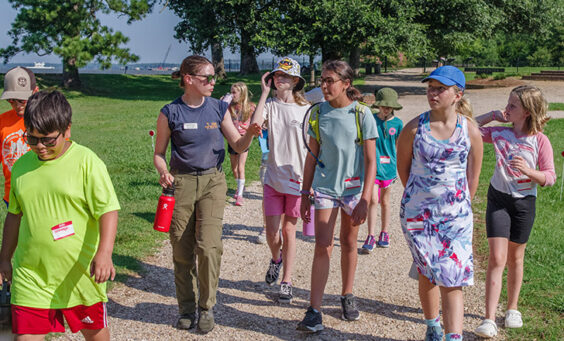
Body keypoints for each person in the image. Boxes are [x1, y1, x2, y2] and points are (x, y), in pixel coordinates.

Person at [0, 90, 120, 340]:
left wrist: (105, 253)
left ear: (67, 130)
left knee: (96, 335)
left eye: (47, 140)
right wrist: (4, 259)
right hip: (31, 275)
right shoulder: (21, 167)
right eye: (31, 140)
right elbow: (14, 216)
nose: (39, 147)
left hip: (80, 274)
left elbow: (108, 210)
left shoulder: (87, 162)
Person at [153, 55, 260, 334]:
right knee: (181, 248)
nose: (213, 82)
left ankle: (206, 307)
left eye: (214, 78)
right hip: (182, 184)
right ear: (188, 80)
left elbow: (237, 143)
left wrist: (250, 134)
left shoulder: (217, 108)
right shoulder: (169, 112)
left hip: (213, 182)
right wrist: (163, 171)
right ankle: (186, 308)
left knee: (209, 247)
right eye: (207, 78)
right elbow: (159, 154)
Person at [396, 66, 483, 341]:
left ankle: (453, 337)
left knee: (453, 277)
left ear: (458, 94)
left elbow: (473, 177)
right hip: (419, 217)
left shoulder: (470, 131)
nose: (433, 93)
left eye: (440, 89)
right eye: (430, 88)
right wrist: (424, 200)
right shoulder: (414, 128)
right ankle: (433, 324)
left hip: (455, 218)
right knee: (428, 273)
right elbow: (404, 170)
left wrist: (457, 208)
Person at [297, 60, 377, 332]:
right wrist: (304, 193)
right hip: (325, 188)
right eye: (322, 80)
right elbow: (311, 156)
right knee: (322, 245)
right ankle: (314, 310)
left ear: (346, 84)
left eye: (330, 80)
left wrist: (366, 198)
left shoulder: (362, 114)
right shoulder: (318, 113)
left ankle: (347, 294)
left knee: (349, 241)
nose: (324, 85)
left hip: (354, 191)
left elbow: (370, 160)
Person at [473, 85, 556, 338]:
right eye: (507, 104)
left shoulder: (540, 140)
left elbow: (550, 177)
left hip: (524, 204)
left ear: (527, 112)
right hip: (498, 199)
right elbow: (466, 129)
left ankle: (512, 309)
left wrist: (529, 172)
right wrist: (491, 115)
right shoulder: (498, 132)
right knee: (497, 259)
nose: (506, 109)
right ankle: (488, 319)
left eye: (512, 106)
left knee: (515, 259)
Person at [251, 57, 310, 303]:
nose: (279, 80)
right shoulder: (270, 105)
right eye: (277, 76)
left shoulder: (306, 109)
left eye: (285, 77)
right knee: (272, 233)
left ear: (295, 81)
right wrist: (264, 93)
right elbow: (255, 125)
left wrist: (311, 182)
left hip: (297, 180)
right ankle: (276, 258)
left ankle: (287, 281)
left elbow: (312, 146)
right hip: (273, 178)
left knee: (289, 230)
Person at [361, 87, 403, 253]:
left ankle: (384, 232)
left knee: (385, 201)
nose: (386, 109)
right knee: (372, 200)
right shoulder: (371, 120)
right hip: (373, 168)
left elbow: (398, 146)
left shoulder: (398, 124)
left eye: (389, 106)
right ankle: (370, 235)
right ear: (378, 105)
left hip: (389, 169)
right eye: (383, 106)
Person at [0, 66, 39, 207]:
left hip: (42, 194)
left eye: (22, 100)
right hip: (13, 195)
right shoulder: (2, 122)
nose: (18, 106)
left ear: (35, 92)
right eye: (11, 100)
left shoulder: (49, 119)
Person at [227, 82, 256, 206]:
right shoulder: (229, 107)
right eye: (231, 92)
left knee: (240, 167)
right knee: (234, 168)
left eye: (234, 92)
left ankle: (239, 196)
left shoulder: (250, 107)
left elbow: (257, 120)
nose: (231, 95)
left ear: (242, 94)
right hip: (232, 139)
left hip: (244, 139)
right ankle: (240, 186)